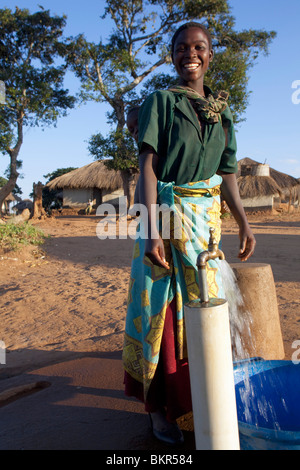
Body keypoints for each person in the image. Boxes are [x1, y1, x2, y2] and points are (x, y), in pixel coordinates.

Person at [123, 21, 256, 446]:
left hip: (206, 228)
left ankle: (202, 401)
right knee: (164, 310)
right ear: (173, 54)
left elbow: (228, 174)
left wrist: (243, 221)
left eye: (199, 47)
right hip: (166, 217)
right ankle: (160, 409)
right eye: (182, 48)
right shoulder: (159, 102)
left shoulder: (223, 111)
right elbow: (147, 166)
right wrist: (153, 231)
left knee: (203, 308)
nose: (190, 54)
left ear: (210, 55)